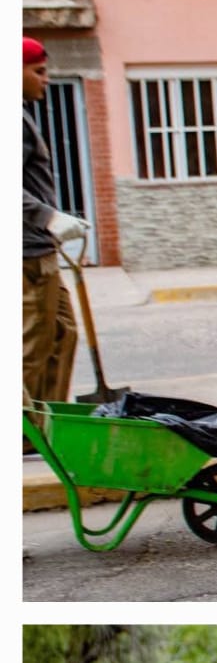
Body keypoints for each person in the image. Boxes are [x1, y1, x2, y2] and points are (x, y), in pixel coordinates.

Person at [22, 35, 85, 406]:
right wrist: (48, 217)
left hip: (40, 249)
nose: (46, 79)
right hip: (26, 255)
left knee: (63, 334)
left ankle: (45, 424)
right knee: (32, 346)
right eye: (38, 71)